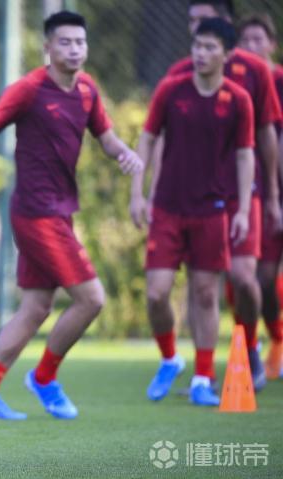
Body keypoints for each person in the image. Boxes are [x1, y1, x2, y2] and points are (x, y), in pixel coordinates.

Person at [0, 10, 141, 421]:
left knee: (36, 308)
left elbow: (107, 138)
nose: (74, 49)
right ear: (47, 47)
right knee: (91, 299)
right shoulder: (30, 88)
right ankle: (44, 377)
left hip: (59, 213)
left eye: (80, 42)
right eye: (65, 42)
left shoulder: (87, 89)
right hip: (36, 214)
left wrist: (126, 154)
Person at [146, 0, 282, 392]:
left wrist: (272, 196)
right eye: (191, 23)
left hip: (241, 193)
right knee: (200, 286)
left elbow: (265, 135)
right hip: (191, 198)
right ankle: (201, 371)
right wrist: (151, 190)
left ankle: (249, 346)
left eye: (203, 21)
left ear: (224, 25)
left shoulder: (255, 72)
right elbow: (159, 135)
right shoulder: (178, 76)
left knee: (244, 277)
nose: (195, 29)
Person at [131, 18, 255, 406]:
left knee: (205, 293)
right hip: (167, 207)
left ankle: (203, 377)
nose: (200, 53)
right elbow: (147, 139)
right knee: (157, 294)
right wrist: (138, 193)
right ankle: (170, 358)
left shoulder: (238, 99)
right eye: (197, 46)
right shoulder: (171, 90)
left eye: (209, 47)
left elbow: (245, 155)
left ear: (228, 54)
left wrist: (243, 210)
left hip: (212, 209)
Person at [238, 12, 283, 379]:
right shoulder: (238, 84)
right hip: (260, 192)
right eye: (246, 40)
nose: (252, 46)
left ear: (272, 44)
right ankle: (273, 340)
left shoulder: (278, 81)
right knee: (261, 278)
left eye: (259, 39)